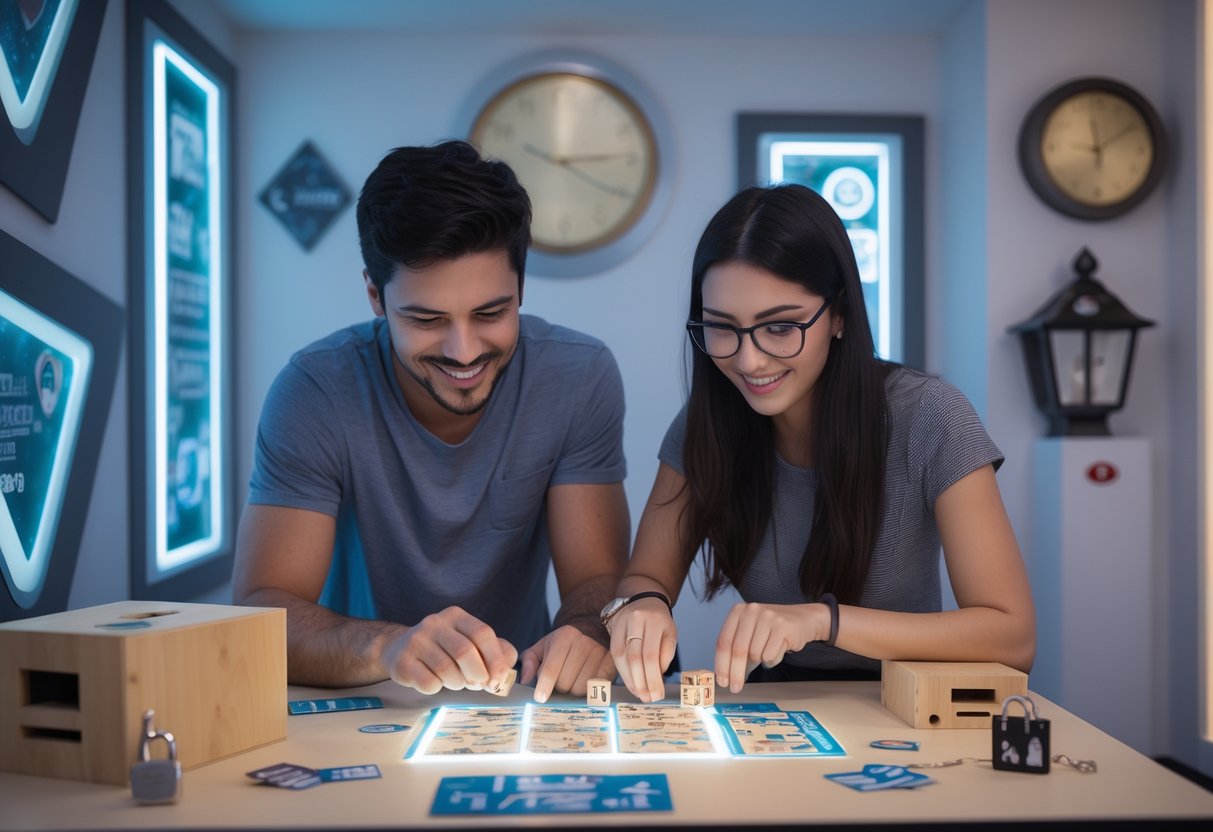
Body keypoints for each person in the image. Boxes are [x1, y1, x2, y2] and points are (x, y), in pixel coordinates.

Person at [603, 184, 1035, 703]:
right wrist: (644, 603)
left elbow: (1013, 639)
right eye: (722, 328)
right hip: (775, 706)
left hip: (905, 702)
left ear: (839, 316)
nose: (749, 361)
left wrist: (823, 621)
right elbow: (646, 574)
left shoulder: (930, 415)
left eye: (780, 327)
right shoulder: (707, 423)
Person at [233, 140, 628, 703]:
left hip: (521, 699)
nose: (464, 351)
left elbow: (598, 582)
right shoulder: (315, 390)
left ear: (521, 289)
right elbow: (260, 608)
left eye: (491, 313)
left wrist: (589, 630)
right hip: (366, 698)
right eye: (425, 319)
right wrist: (387, 648)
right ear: (375, 295)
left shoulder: (579, 377)